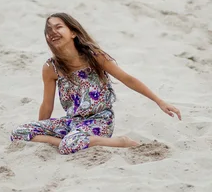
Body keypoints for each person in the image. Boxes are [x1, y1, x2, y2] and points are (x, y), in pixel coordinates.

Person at [10, 13, 181, 155]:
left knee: (69, 145)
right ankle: (66, 141)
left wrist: (160, 102)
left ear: (73, 33)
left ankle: (120, 142)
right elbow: (47, 104)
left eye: (58, 27)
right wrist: (42, 128)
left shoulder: (94, 56)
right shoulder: (50, 68)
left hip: (100, 120)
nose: (53, 32)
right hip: (72, 123)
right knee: (19, 132)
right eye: (48, 30)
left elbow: (127, 79)